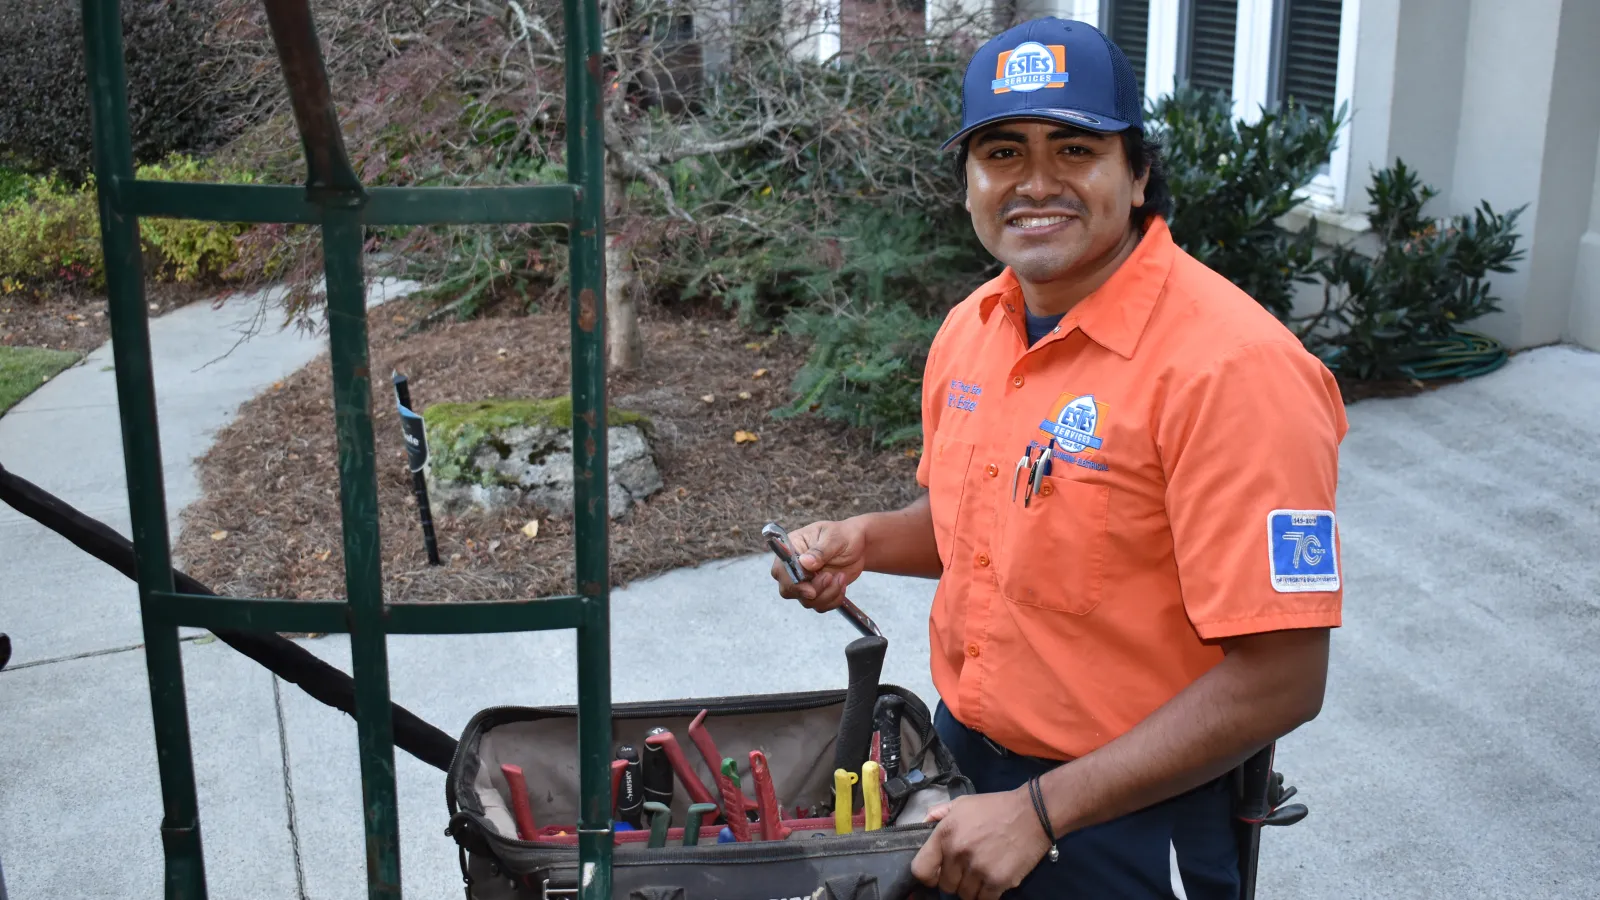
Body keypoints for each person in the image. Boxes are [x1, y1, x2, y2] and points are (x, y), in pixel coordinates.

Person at [769, 15, 1348, 900]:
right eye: (1002, 152)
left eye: (1075, 150)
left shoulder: (1235, 370)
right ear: (967, 180)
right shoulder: (975, 328)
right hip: (959, 772)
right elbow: (994, 524)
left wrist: (1038, 812)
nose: (1036, 184)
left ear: (1138, 172)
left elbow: (1282, 680)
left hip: (1135, 820)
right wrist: (865, 541)